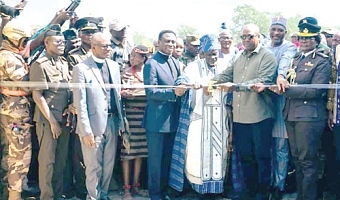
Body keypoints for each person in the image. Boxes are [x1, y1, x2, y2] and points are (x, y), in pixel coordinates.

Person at [207, 24, 278, 199]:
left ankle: (262, 193)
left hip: (259, 116)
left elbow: (263, 80)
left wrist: (235, 86)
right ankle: (249, 192)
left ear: (259, 37)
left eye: (250, 36)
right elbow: (226, 74)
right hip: (240, 118)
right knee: (246, 158)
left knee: (262, 158)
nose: (246, 40)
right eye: (243, 37)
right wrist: (209, 83)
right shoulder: (239, 57)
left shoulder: (267, 56)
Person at [271, 17, 331, 200]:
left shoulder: (321, 61)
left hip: (309, 117)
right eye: (302, 38)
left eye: (309, 38)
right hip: (291, 115)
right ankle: (301, 195)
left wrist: (286, 91)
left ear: (316, 40)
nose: (304, 41)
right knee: (297, 159)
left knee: (308, 161)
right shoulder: (295, 59)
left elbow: (315, 90)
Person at [169, 34, 230, 198]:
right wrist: (184, 85)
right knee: (197, 156)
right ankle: (199, 190)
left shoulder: (226, 65)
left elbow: (233, 82)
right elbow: (182, 80)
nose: (213, 57)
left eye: (215, 53)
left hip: (221, 118)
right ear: (202, 53)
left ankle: (217, 190)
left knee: (220, 153)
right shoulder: (194, 67)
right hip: (199, 119)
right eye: (209, 53)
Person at [72, 32, 125, 200]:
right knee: (94, 166)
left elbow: (117, 96)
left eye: (109, 45)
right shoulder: (81, 68)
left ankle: (104, 194)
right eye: (104, 46)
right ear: (93, 47)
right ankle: (93, 196)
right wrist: (85, 130)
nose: (108, 48)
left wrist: (121, 124)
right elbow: (80, 102)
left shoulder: (114, 66)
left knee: (109, 164)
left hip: (112, 122)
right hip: (93, 125)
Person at [29, 24, 72, 200]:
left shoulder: (63, 63)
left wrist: (70, 107)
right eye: (58, 42)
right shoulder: (40, 64)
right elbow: (37, 95)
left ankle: (58, 193)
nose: (62, 45)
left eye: (63, 42)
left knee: (61, 161)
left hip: (64, 118)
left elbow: (68, 90)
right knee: (47, 161)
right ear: (47, 42)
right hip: (48, 120)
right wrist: (52, 121)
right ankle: (47, 196)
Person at [142, 30, 186, 200]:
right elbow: (151, 92)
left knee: (168, 159)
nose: (170, 45)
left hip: (173, 120)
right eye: (167, 41)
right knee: (155, 162)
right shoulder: (151, 64)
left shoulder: (175, 62)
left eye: (173, 42)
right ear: (158, 42)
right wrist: (174, 93)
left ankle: (166, 191)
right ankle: (155, 194)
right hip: (157, 121)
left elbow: (180, 83)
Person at [65, 16, 100, 200]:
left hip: (100, 110)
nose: (89, 35)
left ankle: (96, 190)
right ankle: (81, 189)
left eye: (93, 32)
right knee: (80, 153)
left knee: (98, 153)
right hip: (81, 109)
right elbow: (72, 84)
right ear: (80, 34)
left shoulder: (101, 54)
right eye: (86, 32)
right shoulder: (74, 56)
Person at [264, 17, 298, 199]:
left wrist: (280, 76)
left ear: (285, 32)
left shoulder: (289, 48)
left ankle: (278, 184)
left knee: (280, 147)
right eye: (274, 29)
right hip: (261, 102)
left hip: (280, 103)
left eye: (280, 30)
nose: (276, 33)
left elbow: (285, 62)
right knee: (265, 146)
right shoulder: (263, 46)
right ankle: (267, 182)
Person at [0, 20, 32, 200]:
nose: (26, 43)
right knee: (19, 155)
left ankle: (9, 192)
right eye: (24, 40)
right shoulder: (10, 58)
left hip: (10, 110)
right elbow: (27, 83)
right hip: (16, 113)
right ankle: (14, 195)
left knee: (10, 153)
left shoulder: (6, 54)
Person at [120, 45, 149, 200]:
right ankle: (126, 189)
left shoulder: (149, 72)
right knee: (127, 153)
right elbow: (120, 91)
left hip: (144, 116)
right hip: (130, 116)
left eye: (135, 56)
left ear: (143, 58)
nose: (132, 59)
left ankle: (136, 186)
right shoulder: (125, 72)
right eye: (130, 56)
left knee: (140, 153)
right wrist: (124, 93)